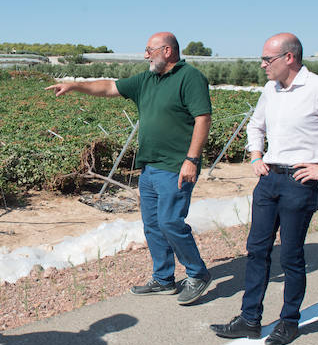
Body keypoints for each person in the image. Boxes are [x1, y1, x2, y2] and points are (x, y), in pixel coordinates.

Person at [210, 33, 318, 345]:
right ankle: (249, 319)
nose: (262, 65)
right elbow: (256, 125)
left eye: (268, 59)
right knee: (257, 251)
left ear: (289, 58)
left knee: (293, 256)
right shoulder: (271, 90)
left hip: (300, 181)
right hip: (269, 179)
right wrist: (256, 155)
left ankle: (289, 321)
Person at [46, 32, 213, 305]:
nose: (146, 55)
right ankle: (163, 279)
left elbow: (202, 118)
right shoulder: (146, 79)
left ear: (168, 51)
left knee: (171, 222)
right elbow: (109, 87)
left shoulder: (189, 77)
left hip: (175, 166)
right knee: (153, 226)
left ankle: (197, 273)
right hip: (149, 167)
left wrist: (192, 159)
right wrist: (75, 85)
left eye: (150, 50)